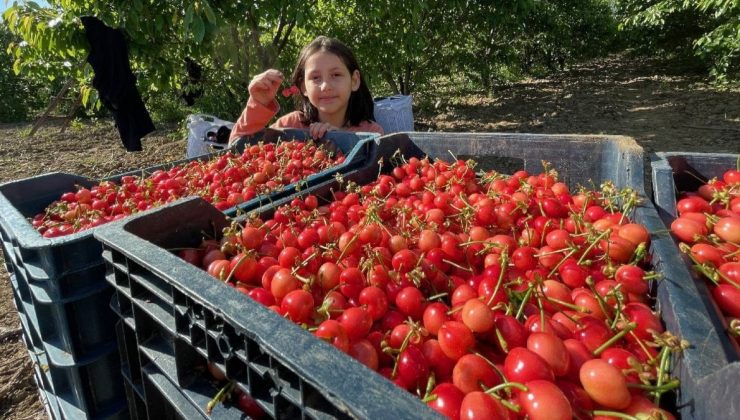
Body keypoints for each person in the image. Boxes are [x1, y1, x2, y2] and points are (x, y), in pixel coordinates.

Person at [228, 36, 384, 144]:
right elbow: (237, 150)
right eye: (315, 78)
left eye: (336, 75)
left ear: (354, 81)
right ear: (303, 87)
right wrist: (258, 104)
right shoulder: (291, 125)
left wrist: (340, 140)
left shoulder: (371, 133)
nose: (325, 86)